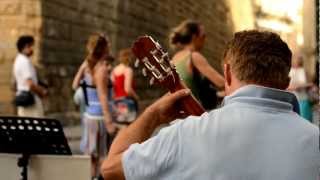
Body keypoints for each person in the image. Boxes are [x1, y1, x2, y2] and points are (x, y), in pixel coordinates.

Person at [101, 30, 320, 180]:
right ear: (287, 83)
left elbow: (110, 169)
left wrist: (154, 114)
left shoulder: (185, 134)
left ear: (226, 73)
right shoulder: (315, 140)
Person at [76, 33, 116, 179]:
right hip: (100, 118)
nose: (110, 46)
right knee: (104, 156)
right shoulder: (102, 69)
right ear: (103, 48)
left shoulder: (88, 66)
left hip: (90, 115)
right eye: (108, 44)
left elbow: (75, 84)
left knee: (92, 157)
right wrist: (109, 121)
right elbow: (103, 96)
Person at [169, 20, 225, 108]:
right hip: (195, 113)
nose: (205, 40)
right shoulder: (193, 56)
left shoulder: (174, 59)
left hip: (180, 113)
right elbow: (222, 83)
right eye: (203, 36)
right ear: (194, 37)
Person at [13, 35, 47, 117]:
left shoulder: (18, 60)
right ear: (25, 46)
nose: (32, 49)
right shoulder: (24, 61)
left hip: (23, 98)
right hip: (30, 99)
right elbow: (30, 84)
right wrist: (42, 92)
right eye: (31, 46)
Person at [111, 48, 139, 128]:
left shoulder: (114, 70)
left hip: (116, 102)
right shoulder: (128, 70)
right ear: (129, 58)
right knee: (129, 128)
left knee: (119, 127)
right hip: (126, 102)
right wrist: (136, 97)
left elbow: (112, 88)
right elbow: (127, 89)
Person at [288, 56, 313, 121]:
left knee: (305, 120)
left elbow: (311, 84)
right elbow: (286, 85)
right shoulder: (290, 71)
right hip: (291, 100)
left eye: (300, 59)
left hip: (303, 99)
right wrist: (292, 87)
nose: (297, 61)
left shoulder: (305, 71)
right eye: (296, 59)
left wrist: (301, 86)